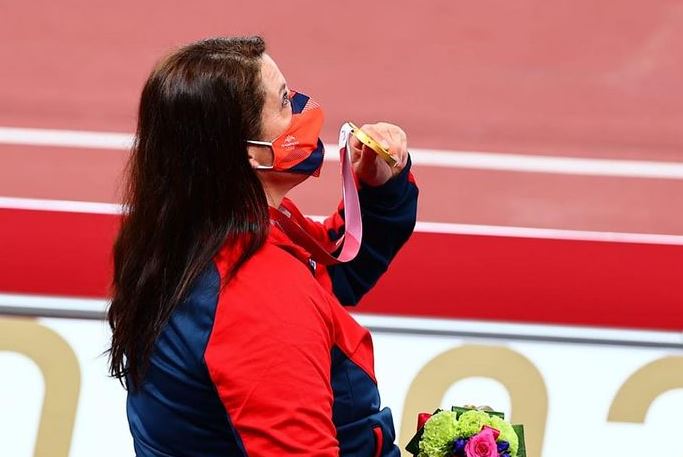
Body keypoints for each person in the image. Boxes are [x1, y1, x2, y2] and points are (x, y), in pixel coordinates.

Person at [108, 36, 418, 457]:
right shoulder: (258, 296)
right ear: (251, 154)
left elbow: (332, 267)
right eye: (286, 101)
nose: (306, 111)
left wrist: (380, 191)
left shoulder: (200, 228)